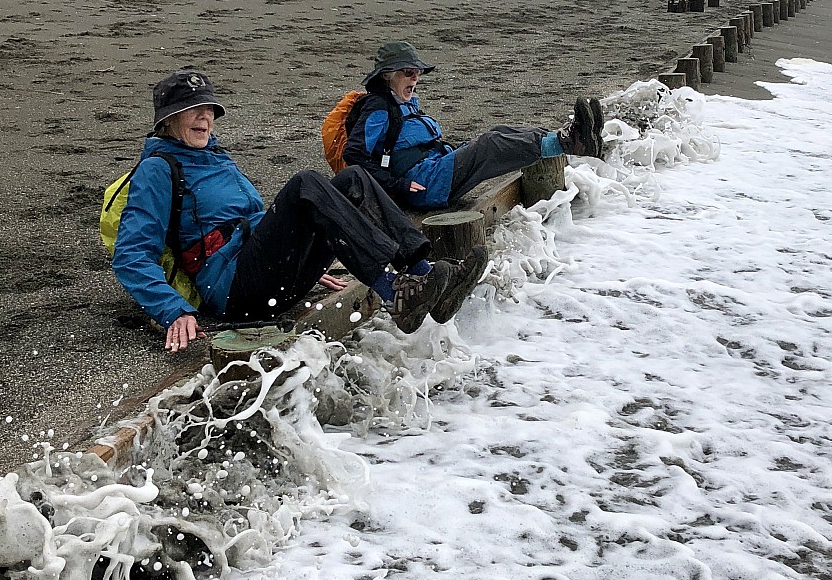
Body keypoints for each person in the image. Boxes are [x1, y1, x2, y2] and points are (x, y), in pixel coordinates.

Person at [112, 69, 488, 352]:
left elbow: (255, 221)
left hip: (266, 275)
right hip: (233, 292)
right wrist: (172, 310)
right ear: (166, 121)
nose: (204, 118)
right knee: (306, 184)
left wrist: (302, 252)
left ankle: (425, 273)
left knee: (354, 178)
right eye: (191, 111)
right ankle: (392, 291)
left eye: (208, 109)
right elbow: (131, 254)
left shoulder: (215, 157)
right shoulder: (158, 169)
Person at [343, 41, 606, 211]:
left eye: (417, 72)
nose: (415, 76)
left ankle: (572, 138)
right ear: (388, 76)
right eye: (407, 72)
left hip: (436, 169)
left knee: (498, 132)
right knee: (491, 145)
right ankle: (569, 142)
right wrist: (396, 185)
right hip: (424, 185)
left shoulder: (403, 102)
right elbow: (354, 155)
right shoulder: (377, 107)